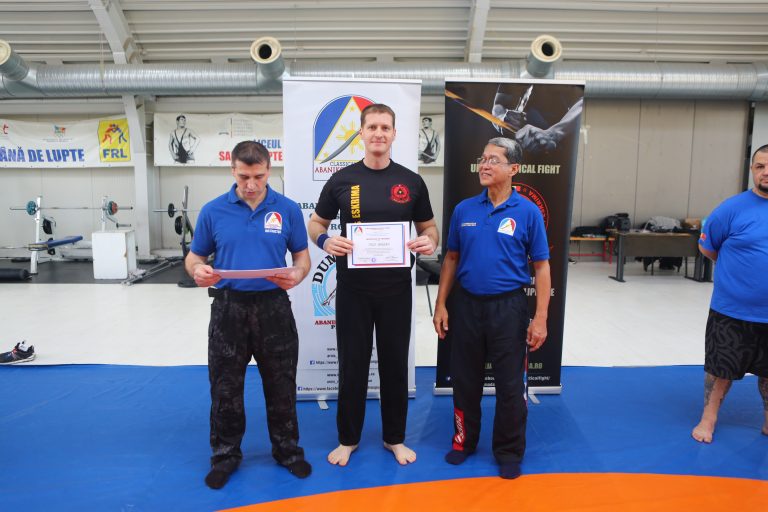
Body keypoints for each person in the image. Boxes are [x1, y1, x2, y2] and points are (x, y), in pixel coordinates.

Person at [308, 103, 438, 467]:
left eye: (385, 127)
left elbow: (430, 228)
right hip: (353, 290)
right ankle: (347, 439)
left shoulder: (411, 182)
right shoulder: (341, 180)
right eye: (372, 127)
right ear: (361, 134)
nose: (378, 133)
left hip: (396, 290)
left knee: (395, 365)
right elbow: (315, 224)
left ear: (394, 134)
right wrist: (325, 241)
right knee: (352, 365)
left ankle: (394, 438)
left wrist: (429, 241)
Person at [185, 140, 312, 489]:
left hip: (274, 306)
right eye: (243, 177)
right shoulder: (213, 211)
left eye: (258, 176)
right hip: (229, 307)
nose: (251, 184)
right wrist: (197, 270)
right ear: (233, 170)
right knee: (225, 387)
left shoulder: (287, 209)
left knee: (282, 384)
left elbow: (302, 259)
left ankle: (288, 451)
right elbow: (194, 257)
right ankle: (225, 455)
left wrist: (298, 275)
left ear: (269, 170)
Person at [432, 137, 551, 479]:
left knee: (510, 385)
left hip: (508, 308)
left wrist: (540, 317)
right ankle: (463, 441)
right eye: (482, 159)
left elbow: (541, 266)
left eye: (493, 160)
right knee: (464, 381)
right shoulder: (464, 210)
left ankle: (509, 451)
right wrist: (441, 304)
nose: (484, 165)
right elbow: (451, 258)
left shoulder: (527, 212)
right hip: (467, 306)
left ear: (514, 169)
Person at [692, 143, 768, 443]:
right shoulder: (731, 209)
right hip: (731, 311)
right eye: (760, 166)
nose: (766, 172)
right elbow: (707, 248)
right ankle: (708, 419)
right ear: (752, 170)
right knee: (720, 370)